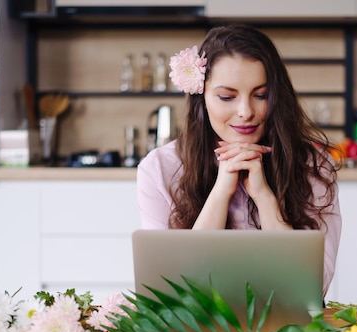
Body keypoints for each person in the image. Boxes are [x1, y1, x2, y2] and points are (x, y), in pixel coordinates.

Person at [136, 24, 342, 296]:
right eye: (226, 97)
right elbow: (173, 296)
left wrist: (264, 198)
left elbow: (311, 291)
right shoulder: (160, 169)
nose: (246, 112)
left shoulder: (313, 166)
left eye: (261, 95)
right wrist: (222, 191)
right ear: (202, 99)